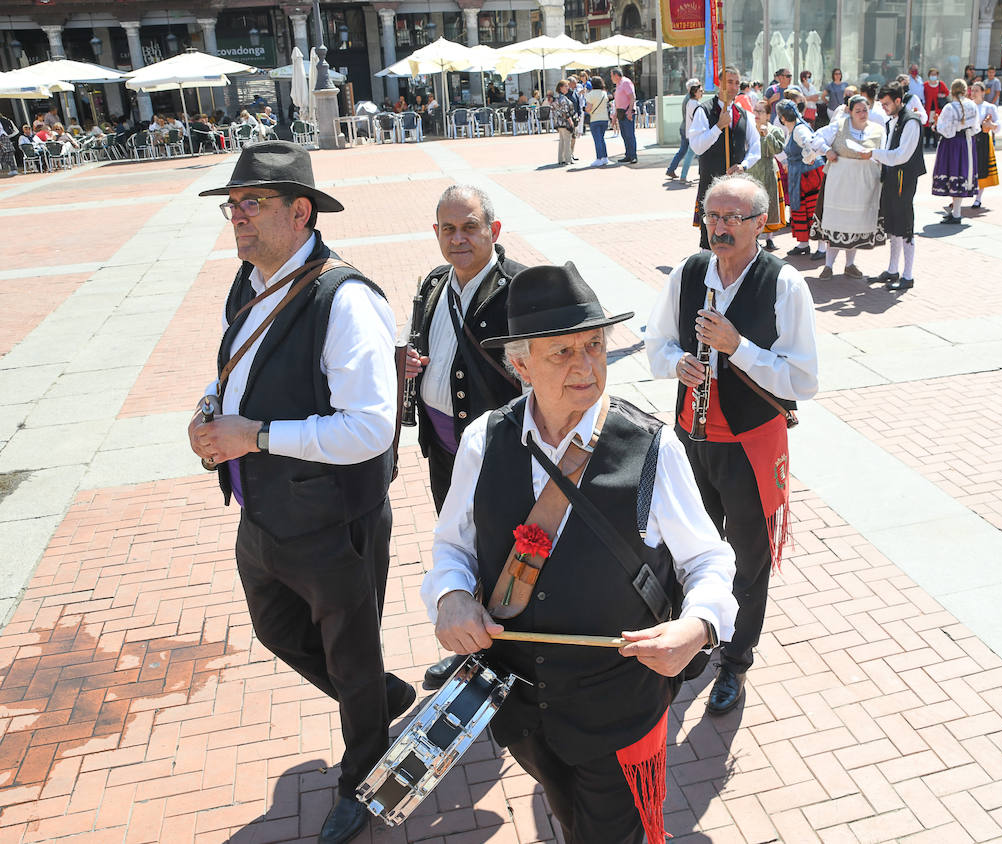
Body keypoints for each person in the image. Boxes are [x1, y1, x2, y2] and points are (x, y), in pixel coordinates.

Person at [423, 259, 737, 844]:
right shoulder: (482, 440)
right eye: (561, 353)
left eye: (593, 346)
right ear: (520, 365)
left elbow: (709, 561)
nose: (585, 367)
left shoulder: (650, 445)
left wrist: (698, 625)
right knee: (566, 815)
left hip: (618, 715)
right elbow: (452, 550)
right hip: (518, 709)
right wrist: (450, 597)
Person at [187, 142, 409, 844]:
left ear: (300, 210)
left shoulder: (345, 298)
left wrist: (254, 435)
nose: (237, 218)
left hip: (333, 521)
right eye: (233, 205)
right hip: (264, 513)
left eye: (252, 204)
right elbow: (232, 371)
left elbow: (369, 429)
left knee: (350, 652)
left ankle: (364, 778)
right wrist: (208, 411)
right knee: (276, 629)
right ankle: (378, 697)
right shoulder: (247, 282)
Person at [645, 172, 817, 719]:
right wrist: (679, 363)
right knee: (688, 547)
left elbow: (803, 380)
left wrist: (737, 348)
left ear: (759, 225)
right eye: (710, 216)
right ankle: (696, 639)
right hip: (691, 436)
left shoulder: (785, 284)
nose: (717, 228)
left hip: (750, 444)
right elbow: (656, 343)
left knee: (748, 557)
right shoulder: (690, 272)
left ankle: (735, 661)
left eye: (731, 218)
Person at [402, 185, 529, 692]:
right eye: (448, 229)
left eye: (469, 226)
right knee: (462, 549)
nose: (458, 238)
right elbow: (427, 344)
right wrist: (409, 366)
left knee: (507, 556)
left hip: (499, 455)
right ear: (436, 233)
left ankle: (509, 654)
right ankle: (470, 648)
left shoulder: (519, 287)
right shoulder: (433, 283)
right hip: (443, 447)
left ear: (493, 231)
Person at [810, 94, 885, 278]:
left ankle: (850, 264)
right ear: (850, 112)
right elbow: (816, 138)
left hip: (864, 181)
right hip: (840, 180)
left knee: (856, 221)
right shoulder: (839, 125)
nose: (862, 114)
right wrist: (827, 150)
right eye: (857, 110)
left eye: (865, 110)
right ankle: (828, 265)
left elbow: (883, 152)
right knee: (837, 220)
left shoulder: (877, 129)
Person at [687, 66, 761, 251]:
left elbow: (756, 147)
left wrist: (743, 165)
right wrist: (718, 127)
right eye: (729, 82)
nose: (734, 87)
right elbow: (696, 145)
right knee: (710, 236)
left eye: (737, 83)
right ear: (719, 84)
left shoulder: (744, 114)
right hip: (712, 184)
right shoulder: (704, 111)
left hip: (737, 187)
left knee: (738, 234)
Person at [871, 83, 926, 290]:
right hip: (893, 176)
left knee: (904, 225)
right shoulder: (892, 121)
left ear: (897, 101)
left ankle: (908, 275)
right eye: (881, 103)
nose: (883, 107)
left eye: (886, 104)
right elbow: (889, 150)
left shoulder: (911, 121)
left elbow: (901, 155)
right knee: (892, 224)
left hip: (904, 176)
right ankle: (893, 269)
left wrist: (874, 154)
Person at [777, 101, 824, 259]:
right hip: (801, 175)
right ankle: (804, 244)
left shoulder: (799, 129)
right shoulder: (795, 128)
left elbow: (810, 144)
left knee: (812, 209)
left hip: (808, 175)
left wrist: (808, 158)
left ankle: (822, 247)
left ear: (782, 118)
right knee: (802, 208)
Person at [931, 78, 979, 224]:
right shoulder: (972, 105)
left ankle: (957, 214)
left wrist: (935, 126)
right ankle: (956, 212)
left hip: (951, 144)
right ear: (966, 91)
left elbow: (944, 130)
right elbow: (976, 127)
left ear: (952, 91)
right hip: (966, 143)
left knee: (953, 174)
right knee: (961, 174)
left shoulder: (950, 107)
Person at [747, 100, 788, 251]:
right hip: (752, 170)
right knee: (752, 204)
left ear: (768, 115)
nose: (756, 114)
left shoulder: (774, 130)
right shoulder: (749, 128)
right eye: (755, 111)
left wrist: (767, 135)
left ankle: (769, 238)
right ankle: (754, 237)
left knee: (768, 202)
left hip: (768, 168)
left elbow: (778, 149)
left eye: (760, 112)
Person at [970, 81, 1000, 206]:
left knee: (981, 167)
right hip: (969, 138)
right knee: (967, 167)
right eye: (972, 90)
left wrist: (990, 125)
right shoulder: (967, 105)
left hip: (982, 139)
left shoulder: (989, 107)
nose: (974, 93)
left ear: (983, 92)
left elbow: (998, 125)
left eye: (977, 90)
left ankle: (978, 198)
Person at [666, 80, 702, 182]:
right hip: (689, 130)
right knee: (688, 152)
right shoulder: (691, 101)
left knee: (689, 152)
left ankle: (673, 170)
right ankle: (676, 171)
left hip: (687, 129)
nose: (701, 92)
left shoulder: (689, 99)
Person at [611, 68, 638, 163]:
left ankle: (633, 155)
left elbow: (632, 97)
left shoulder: (626, 82)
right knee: (624, 135)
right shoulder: (618, 84)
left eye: (612, 75)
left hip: (627, 112)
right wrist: (614, 116)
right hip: (620, 112)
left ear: (616, 75)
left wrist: (630, 111)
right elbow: (617, 102)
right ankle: (628, 154)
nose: (611, 78)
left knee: (630, 134)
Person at [550, 80, 579, 166]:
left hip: (559, 123)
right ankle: (568, 159)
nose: (568, 87)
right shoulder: (563, 99)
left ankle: (561, 159)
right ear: (561, 88)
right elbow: (565, 112)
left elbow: (554, 110)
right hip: (565, 122)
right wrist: (571, 122)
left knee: (562, 141)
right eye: (566, 86)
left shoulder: (557, 98)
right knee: (567, 141)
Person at [584, 76, 610, 167]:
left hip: (595, 119)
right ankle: (605, 157)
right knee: (602, 139)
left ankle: (599, 158)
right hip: (605, 118)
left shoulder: (590, 94)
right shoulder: (604, 93)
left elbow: (589, 108)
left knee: (597, 140)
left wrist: (585, 110)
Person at [922, 68, 949, 149]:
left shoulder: (941, 84)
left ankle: (935, 142)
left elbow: (947, 92)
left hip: (938, 109)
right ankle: (926, 142)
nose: (933, 76)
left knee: (936, 124)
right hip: (928, 109)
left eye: (935, 74)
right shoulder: (925, 85)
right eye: (931, 74)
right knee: (927, 126)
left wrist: (942, 95)